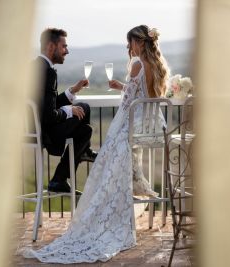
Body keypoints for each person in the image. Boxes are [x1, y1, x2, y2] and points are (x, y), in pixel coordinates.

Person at [25, 25, 170, 263]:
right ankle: (71, 167)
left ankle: (72, 169)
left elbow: (128, 103)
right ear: (52, 46)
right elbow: (145, 96)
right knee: (86, 124)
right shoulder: (158, 65)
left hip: (135, 124)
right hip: (154, 125)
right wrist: (70, 104)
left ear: (139, 42)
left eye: (130, 42)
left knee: (100, 138)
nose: (128, 47)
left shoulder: (136, 65)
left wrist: (115, 126)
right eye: (64, 46)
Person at [34, 28, 98, 193]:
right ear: (50, 46)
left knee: (85, 125)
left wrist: (72, 91)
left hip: (34, 129)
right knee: (84, 120)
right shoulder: (47, 71)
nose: (67, 51)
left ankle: (61, 178)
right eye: (64, 46)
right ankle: (62, 175)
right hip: (46, 133)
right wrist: (69, 111)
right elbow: (48, 115)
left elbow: (46, 105)